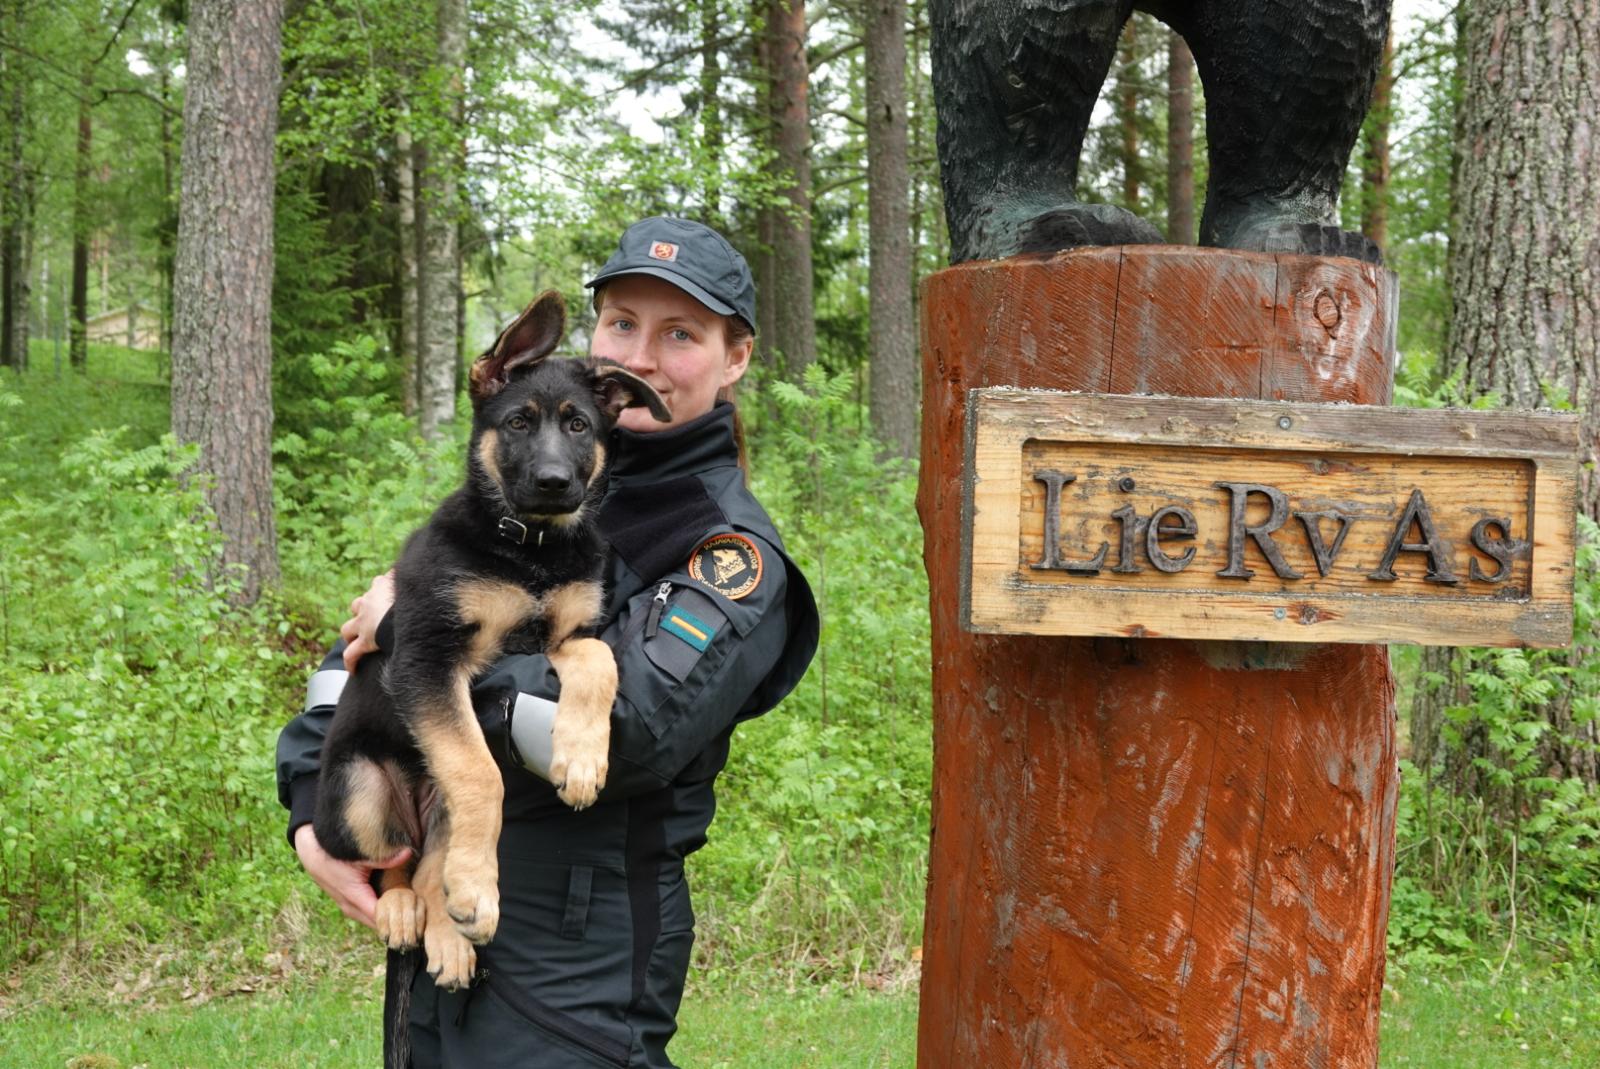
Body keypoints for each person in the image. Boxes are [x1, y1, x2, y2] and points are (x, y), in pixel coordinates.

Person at [275, 216, 819, 1069]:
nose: (639, 356)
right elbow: (351, 662)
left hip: (579, 964)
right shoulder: (527, 483)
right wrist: (314, 807)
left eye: (680, 334)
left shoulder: (729, 554)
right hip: (439, 918)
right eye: (623, 324)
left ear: (736, 357)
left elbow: (635, 730)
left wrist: (418, 639)